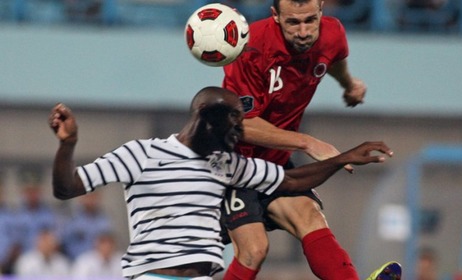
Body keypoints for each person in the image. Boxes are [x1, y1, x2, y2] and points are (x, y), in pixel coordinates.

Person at [48, 86, 394, 279]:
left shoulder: (226, 164)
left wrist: (342, 158)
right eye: (233, 125)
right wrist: (67, 145)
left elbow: (289, 181)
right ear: (204, 121)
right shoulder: (141, 154)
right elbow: (67, 188)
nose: (239, 135)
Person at [221, 0, 400, 279]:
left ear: (321, 10)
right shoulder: (250, 47)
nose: (303, 31)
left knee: (310, 217)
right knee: (254, 249)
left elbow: (334, 59)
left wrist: (349, 84)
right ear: (276, 16)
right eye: (293, 22)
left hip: (274, 163)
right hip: (232, 163)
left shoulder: (332, 33)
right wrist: (308, 143)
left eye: (310, 20)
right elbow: (240, 125)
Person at [60, 190, 113, 260]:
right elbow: (63, 244)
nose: (90, 200)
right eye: (87, 197)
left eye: (93, 197)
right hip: (75, 262)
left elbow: (109, 243)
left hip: (99, 262)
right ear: (81, 198)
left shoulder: (104, 220)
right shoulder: (72, 219)